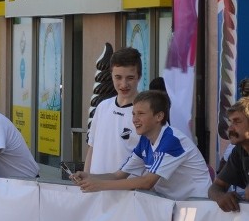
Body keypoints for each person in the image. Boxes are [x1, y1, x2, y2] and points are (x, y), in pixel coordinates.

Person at [74, 91, 210, 200]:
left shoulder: (172, 140)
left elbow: (147, 182)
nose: (134, 119)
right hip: (177, 206)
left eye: (141, 114)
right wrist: (89, 177)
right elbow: (118, 175)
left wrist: (100, 185)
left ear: (159, 116)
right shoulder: (145, 140)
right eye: (133, 114)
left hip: (198, 204)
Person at [85, 47, 142, 174]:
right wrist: (87, 177)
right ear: (111, 75)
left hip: (129, 192)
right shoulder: (102, 107)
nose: (124, 84)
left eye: (130, 78)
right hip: (96, 192)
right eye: (118, 77)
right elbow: (92, 147)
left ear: (139, 76)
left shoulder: (147, 113)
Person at [208, 97, 249, 211]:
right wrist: (220, 197)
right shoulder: (239, 151)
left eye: (237, 121)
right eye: (230, 122)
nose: (230, 128)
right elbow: (215, 186)